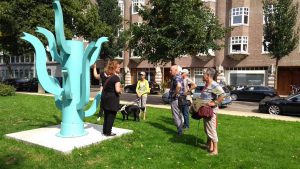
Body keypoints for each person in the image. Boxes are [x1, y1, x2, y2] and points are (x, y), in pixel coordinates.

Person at [201, 68, 224, 155]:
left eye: (204, 74)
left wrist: (214, 103)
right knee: (207, 129)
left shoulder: (214, 85)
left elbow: (222, 95)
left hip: (210, 111)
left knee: (211, 130)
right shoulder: (207, 84)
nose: (203, 75)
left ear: (208, 75)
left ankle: (215, 150)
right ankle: (210, 146)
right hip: (205, 110)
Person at [101, 60, 122, 136]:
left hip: (105, 98)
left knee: (106, 115)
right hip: (112, 99)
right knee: (111, 115)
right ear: (114, 68)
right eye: (118, 67)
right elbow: (117, 90)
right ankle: (108, 132)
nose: (120, 68)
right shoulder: (116, 78)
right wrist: (120, 91)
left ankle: (105, 131)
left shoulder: (107, 77)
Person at [169, 65, 185, 136]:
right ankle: (181, 128)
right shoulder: (180, 76)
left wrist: (174, 94)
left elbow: (178, 86)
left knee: (176, 115)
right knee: (179, 114)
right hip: (180, 99)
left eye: (171, 70)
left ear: (175, 70)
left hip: (176, 99)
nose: (170, 72)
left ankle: (179, 131)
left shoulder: (176, 77)